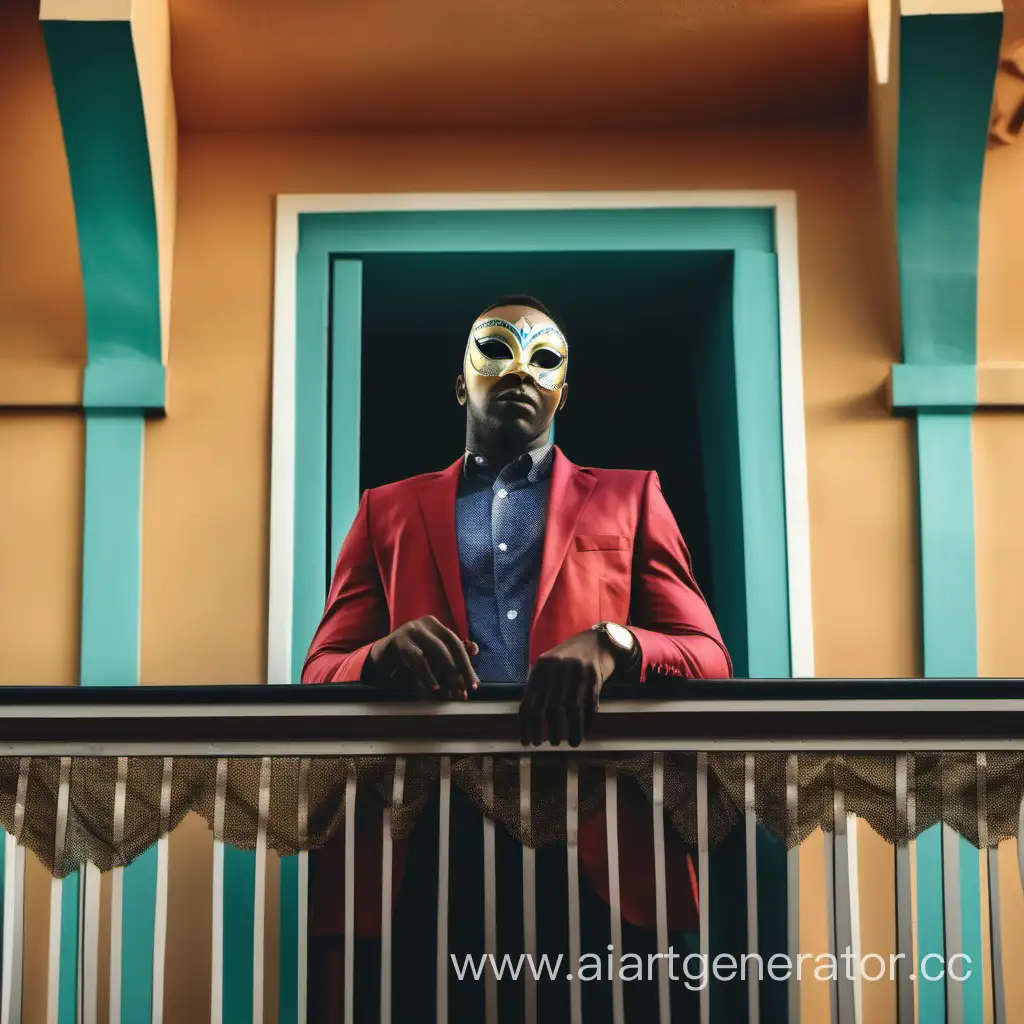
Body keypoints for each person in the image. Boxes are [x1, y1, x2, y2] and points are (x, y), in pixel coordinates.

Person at [303, 296, 731, 1021]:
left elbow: (708, 658)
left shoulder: (633, 499)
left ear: (563, 391)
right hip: (433, 833)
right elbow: (321, 673)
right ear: (459, 382)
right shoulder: (387, 509)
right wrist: (381, 652)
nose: (519, 371)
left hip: (597, 826)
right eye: (495, 350)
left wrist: (614, 642)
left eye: (544, 359)